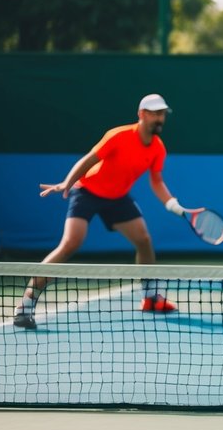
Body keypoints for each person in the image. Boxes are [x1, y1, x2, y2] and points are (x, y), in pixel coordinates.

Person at [12, 94, 202, 330]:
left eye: (162, 113)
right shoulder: (119, 136)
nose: (159, 118)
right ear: (141, 114)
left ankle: (151, 298)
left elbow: (156, 182)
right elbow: (89, 159)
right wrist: (67, 183)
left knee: (144, 240)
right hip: (88, 191)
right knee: (70, 243)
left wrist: (173, 204)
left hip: (117, 198)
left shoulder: (157, 148)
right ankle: (25, 305)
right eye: (154, 113)